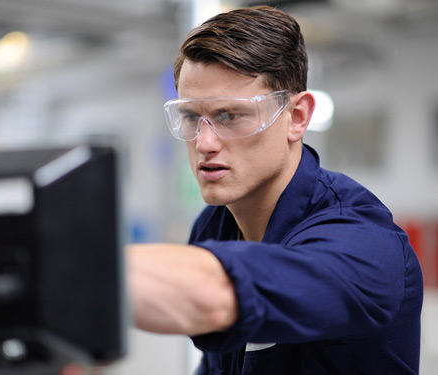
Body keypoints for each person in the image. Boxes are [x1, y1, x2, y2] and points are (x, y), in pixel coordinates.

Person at [127, 6, 421, 374]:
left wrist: (82, 273)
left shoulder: (364, 242)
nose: (204, 143)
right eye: (190, 117)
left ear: (296, 117)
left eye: (230, 116)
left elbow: (218, 296)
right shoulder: (214, 225)